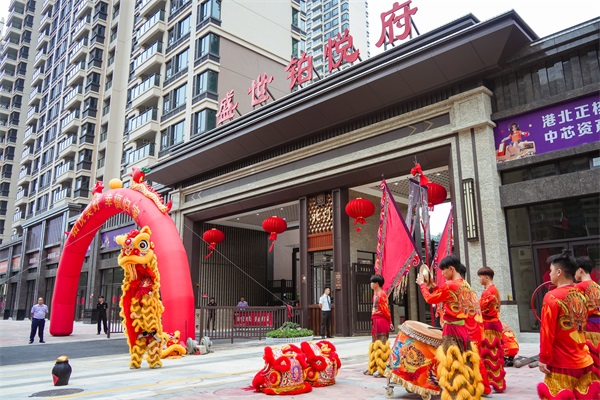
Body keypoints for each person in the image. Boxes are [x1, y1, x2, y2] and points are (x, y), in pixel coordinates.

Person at [416, 255, 484, 399]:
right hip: (462, 329)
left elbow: (430, 299)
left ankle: (454, 395)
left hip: (451, 329)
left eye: (444, 270)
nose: (442, 273)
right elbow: (447, 295)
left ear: (451, 269)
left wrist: (422, 285)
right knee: (465, 362)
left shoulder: (450, 285)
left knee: (452, 364)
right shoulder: (465, 284)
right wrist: (434, 286)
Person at [537, 251, 600, 399]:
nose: (549, 274)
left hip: (563, 363)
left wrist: (544, 358)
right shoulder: (581, 295)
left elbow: (547, 331)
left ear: (559, 272)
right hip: (584, 360)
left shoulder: (552, 296)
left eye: (551, 270)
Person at [477, 266, 506, 392]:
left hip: (489, 325)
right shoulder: (496, 290)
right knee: (495, 353)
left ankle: (491, 381)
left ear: (486, 277)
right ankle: (498, 381)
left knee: (489, 354)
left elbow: (480, 308)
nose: (479, 280)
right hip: (495, 323)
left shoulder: (488, 292)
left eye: (480, 277)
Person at [364, 274, 394, 378]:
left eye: (372, 282)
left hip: (381, 321)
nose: (371, 284)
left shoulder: (381, 294)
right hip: (375, 320)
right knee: (374, 343)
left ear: (376, 284)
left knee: (382, 344)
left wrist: (390, 322)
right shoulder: (376, 294)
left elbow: (386, 310)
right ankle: (374, 367)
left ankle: (383, 369)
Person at [575, 256, 600, 375]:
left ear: (580, 270)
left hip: (588, 327)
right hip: (598, 326)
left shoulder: (579, 287)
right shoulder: (597, 286)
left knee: (590, 360)